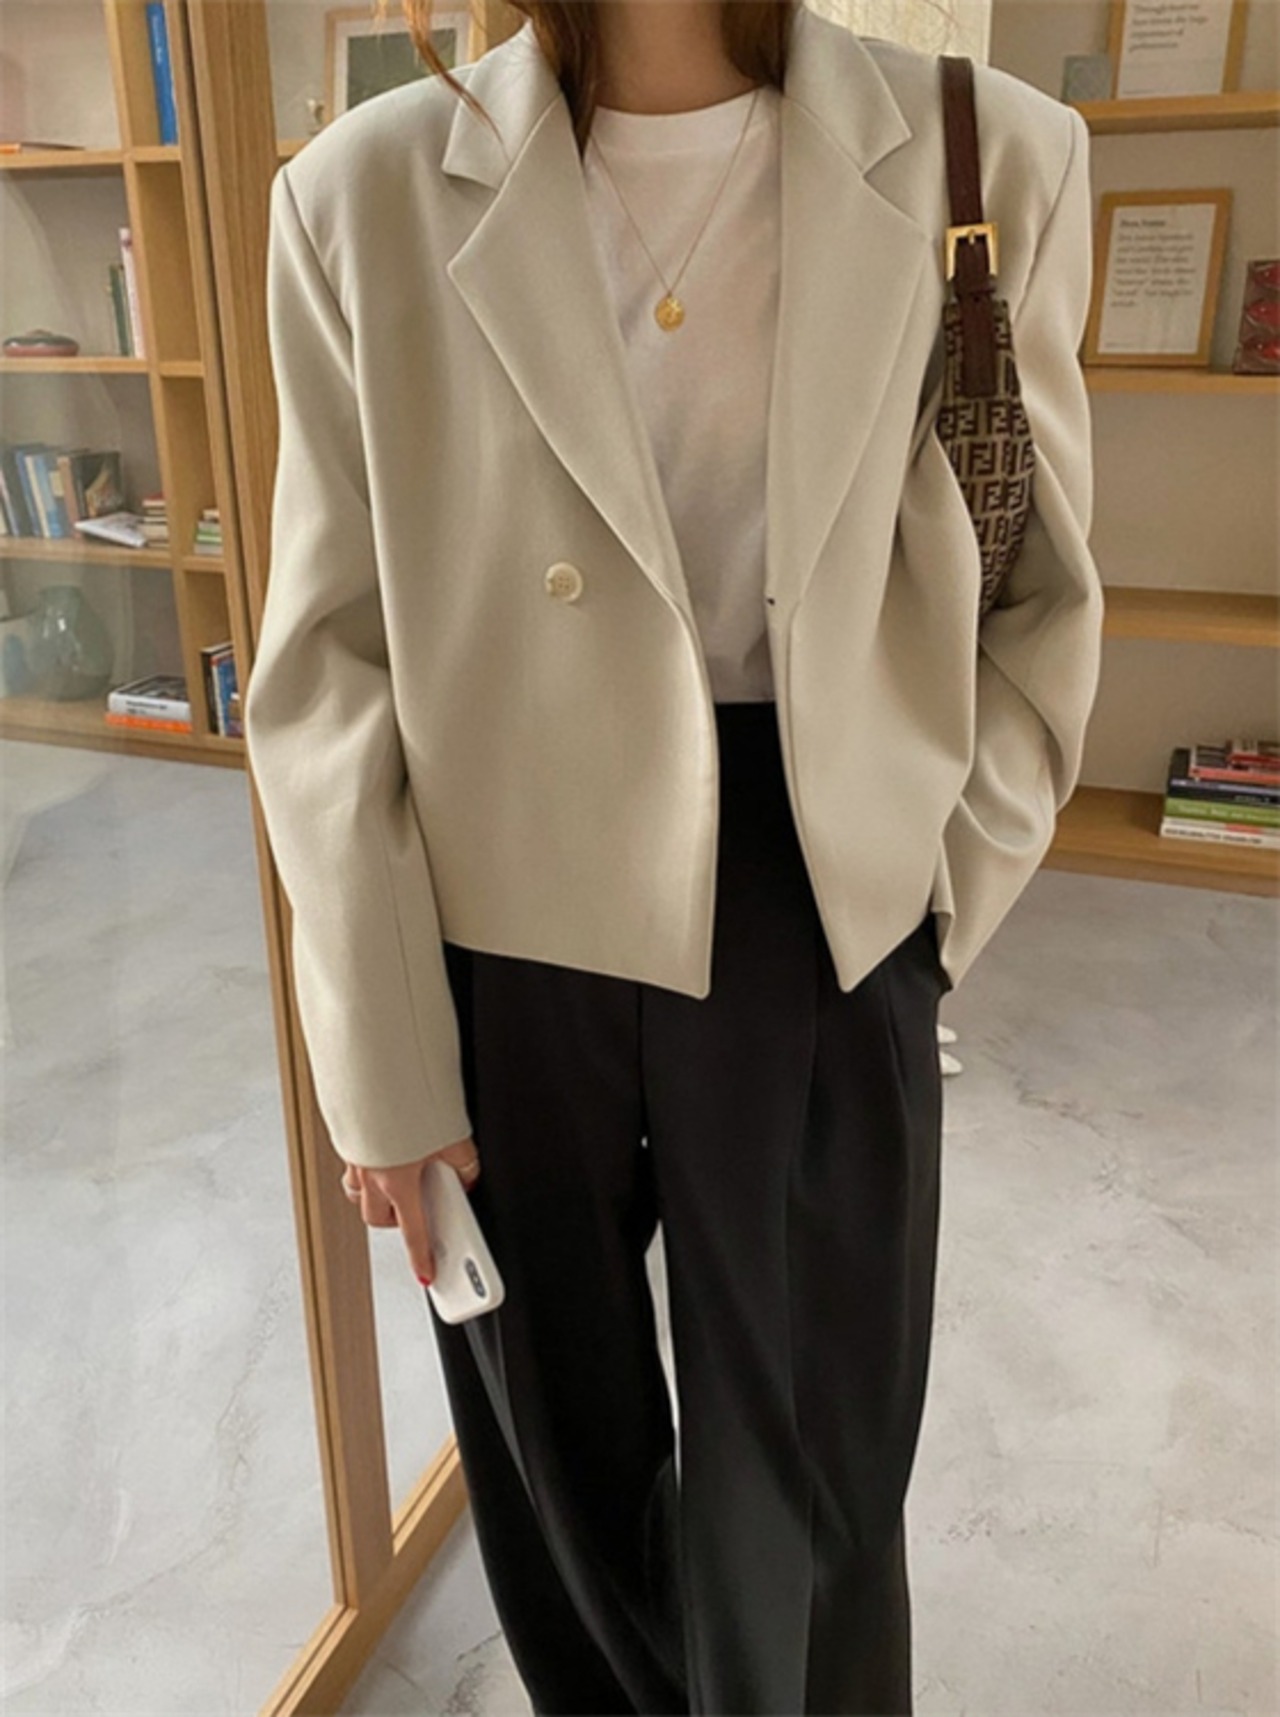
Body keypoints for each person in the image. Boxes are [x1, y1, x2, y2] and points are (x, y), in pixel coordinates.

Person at [244, 1, 1104, 1710]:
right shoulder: (360, 193)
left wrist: (938, 887)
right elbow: (325, 668)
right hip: (498, 898)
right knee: (557, 1474)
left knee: (823, 1482)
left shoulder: (990, 153)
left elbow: (1043, 595)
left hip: (826, 890)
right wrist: (382, 1056)